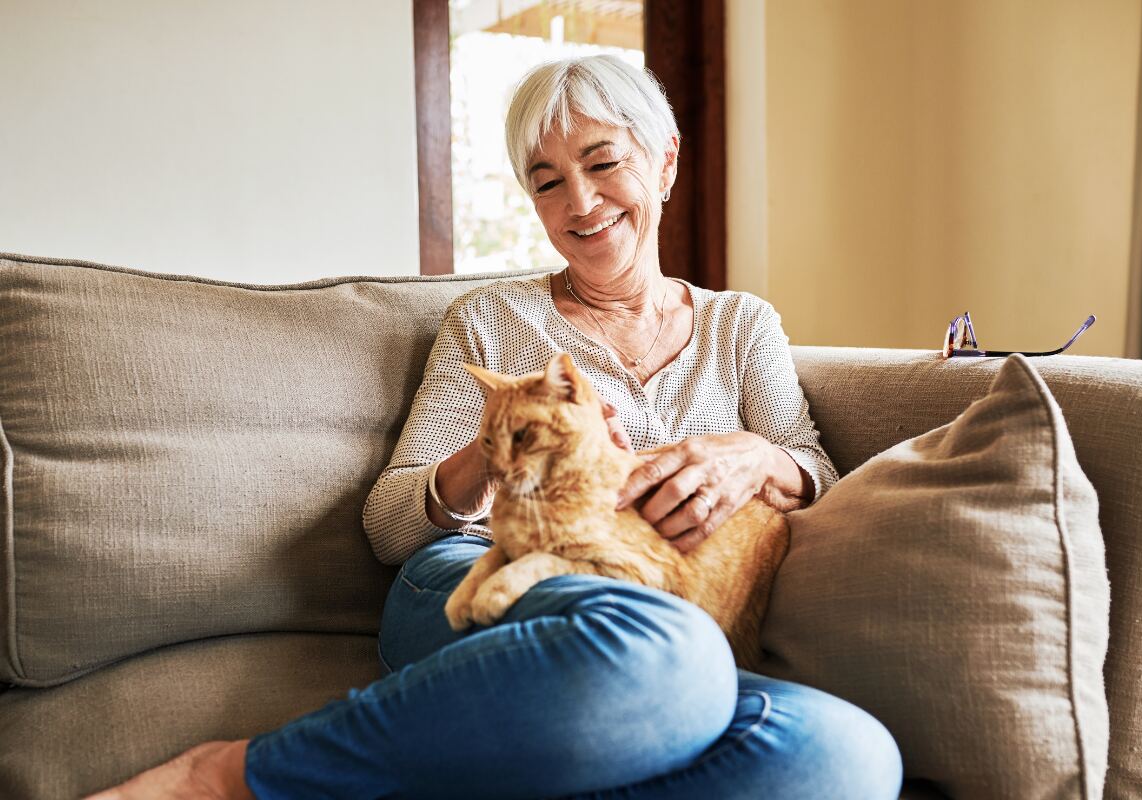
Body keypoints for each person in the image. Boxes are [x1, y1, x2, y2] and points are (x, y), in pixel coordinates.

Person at [92, 55, 903, 799]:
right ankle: (235, 776)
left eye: (603, 162)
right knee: (674, 655)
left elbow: (818, 473)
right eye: (547, 182)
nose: (578, 203)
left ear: (665, 162)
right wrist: (501, 453)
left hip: (661, 605)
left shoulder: (740, 327)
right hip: (487, 569)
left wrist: (755, 455)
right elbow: (390, 522)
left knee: (848, 754)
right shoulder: (490, 321)